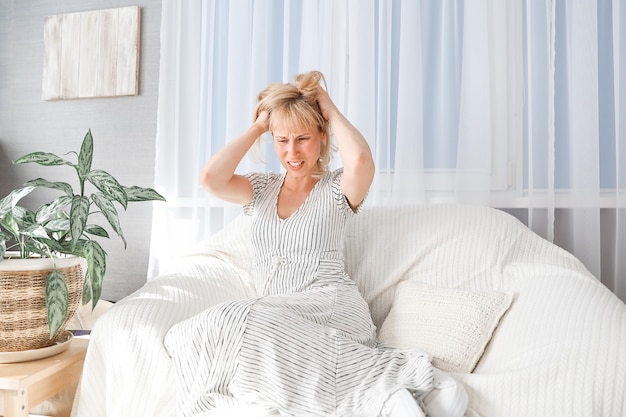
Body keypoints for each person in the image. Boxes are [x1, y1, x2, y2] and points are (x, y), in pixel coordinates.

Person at [164, 70, 468, 417]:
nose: (291, 151)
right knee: (185, 334)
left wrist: (328, 107)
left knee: (240, 315)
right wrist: (260, 126)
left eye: (302, 138)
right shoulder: (260, 189)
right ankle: (391, 398)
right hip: (280, 315)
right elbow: (210, 178)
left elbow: (361, 161)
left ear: (322, 135)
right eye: (282, 140)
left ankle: (393, 393)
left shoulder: (337, 188)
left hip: (330, 306)